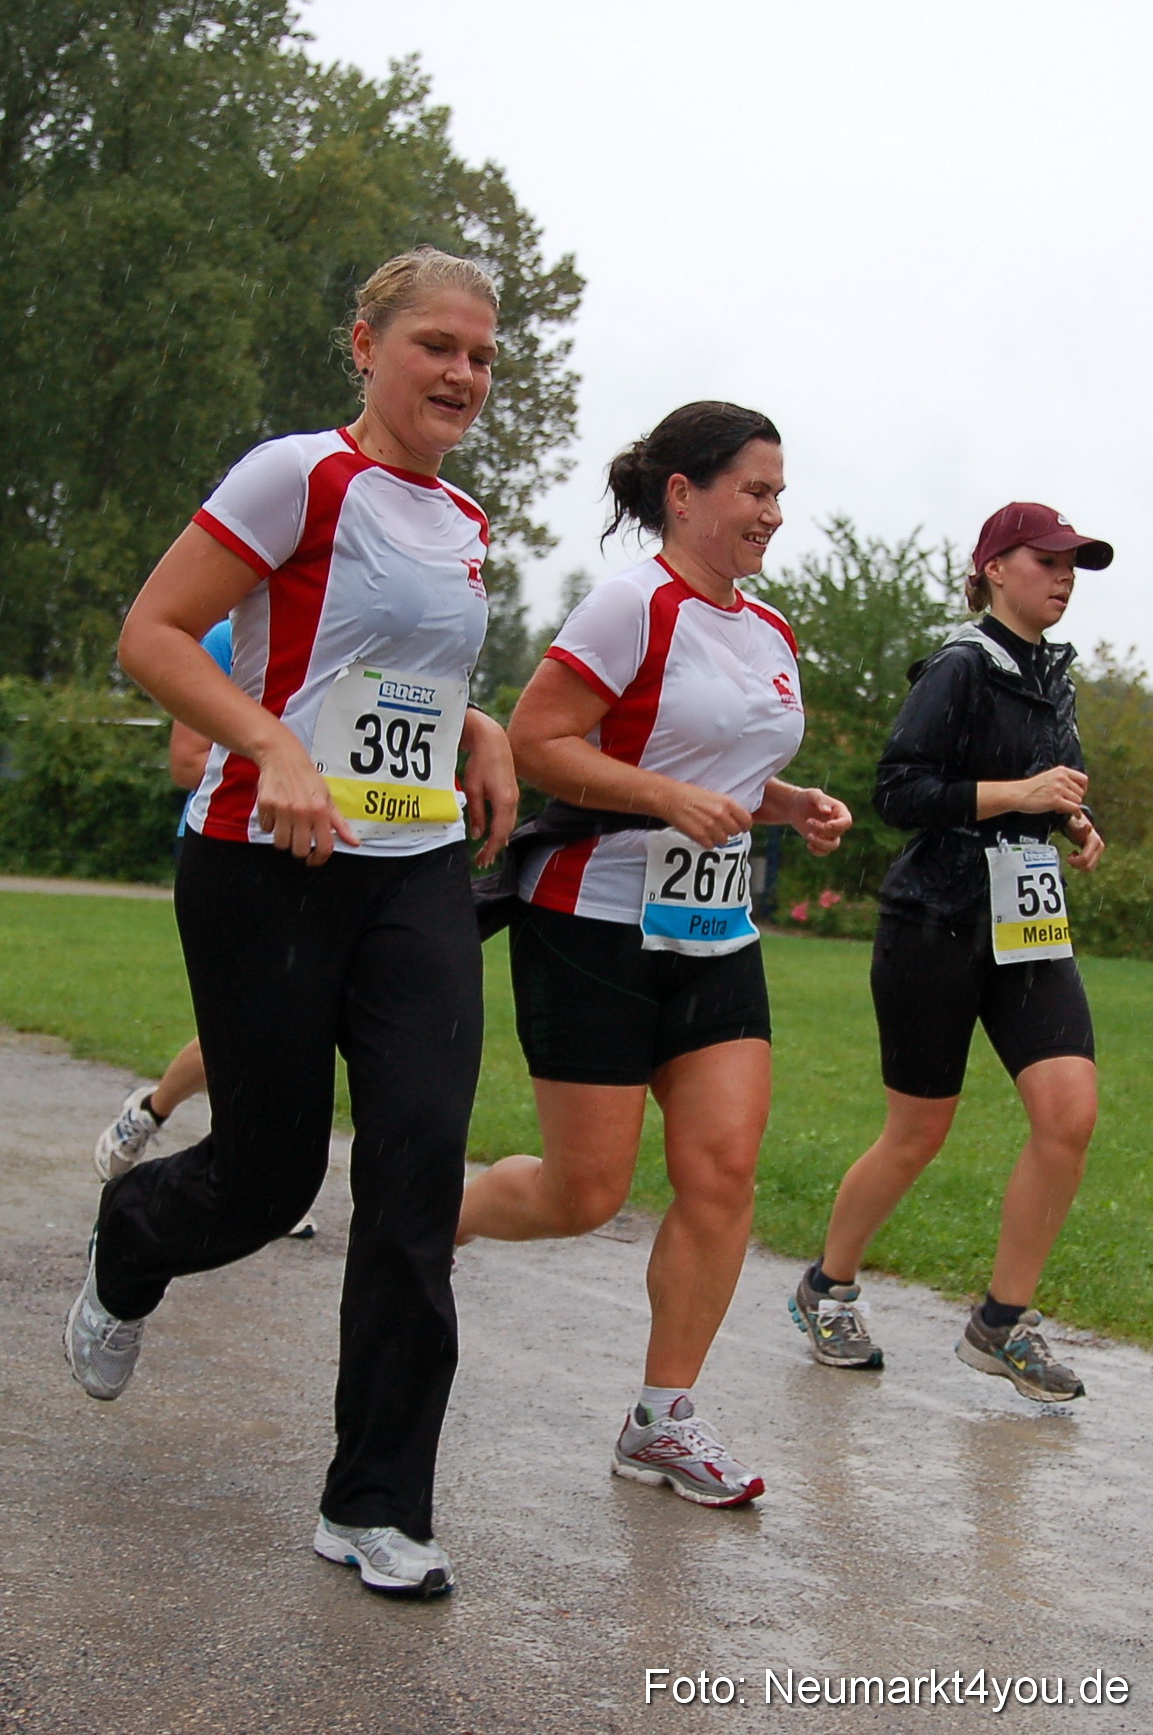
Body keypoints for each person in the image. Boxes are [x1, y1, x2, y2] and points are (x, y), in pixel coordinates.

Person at [65, 247, 519, 1598]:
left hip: (418, 868)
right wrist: (268, 742)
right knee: (266, 1179)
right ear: (365, 343)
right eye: (436, 344)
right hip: (263, 861)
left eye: (483, 356)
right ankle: (132, 1235)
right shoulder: (294, 475)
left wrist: (483, 727)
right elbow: (152, 633)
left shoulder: (470, 518)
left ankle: (374, 1499)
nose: (462, 374)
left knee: (419, 1169)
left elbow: (403, 676)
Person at [456, 401, 852, 1505]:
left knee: (722, 1169)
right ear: (683, 493)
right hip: (590, 920)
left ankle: (661, 1416)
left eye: (779, 493)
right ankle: (431, 1221)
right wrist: (667, 796)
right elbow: (540, 743)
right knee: (586, 1191)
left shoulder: (765, 630)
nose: (774, 513)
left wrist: (785, 803)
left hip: (712, 927)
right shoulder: (633, 605)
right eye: (754, 491)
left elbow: (717, 763)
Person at [788, 502, 1111, 1403]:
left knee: (1069, 1112)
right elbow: (899, 788)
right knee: (917, 1131)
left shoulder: (1054, 672)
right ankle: (826, 1286)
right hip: (933, 922)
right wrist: (1021, 792)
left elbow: (1047, 784)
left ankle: (1001, 1322)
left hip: (1028, 927)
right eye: (1046, 559)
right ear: (994, 567)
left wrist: (1072, 819)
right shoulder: (959, 666)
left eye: (1072, 564)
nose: (1063, 576)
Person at [93, 621, 317, 1235]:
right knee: (263, 1019)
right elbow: (188, 761)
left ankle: (172, 1120)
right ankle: (230, 1157)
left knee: (298, 1019)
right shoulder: (230, 637)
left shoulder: (353, 636)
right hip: (238, 853)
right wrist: (295, 770)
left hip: (333, 854)